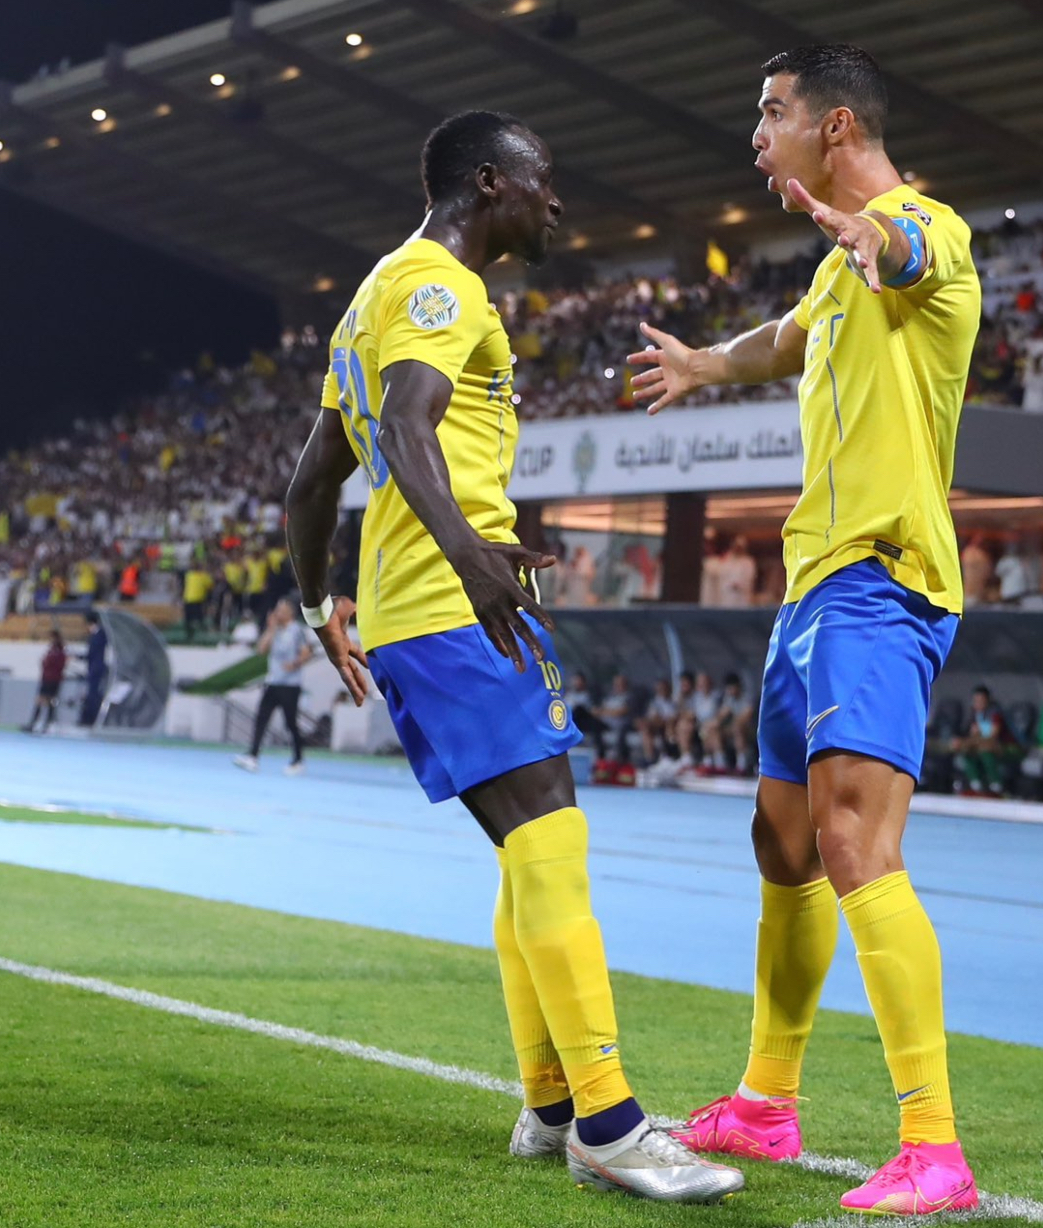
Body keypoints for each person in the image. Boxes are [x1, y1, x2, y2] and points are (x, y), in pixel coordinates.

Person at [281, 111, 738, 1201]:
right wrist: (470, 559)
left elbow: (310, 482)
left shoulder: (372, 296)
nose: (556, 202)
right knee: (552, 847)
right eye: (544, 182)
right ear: (490, 184)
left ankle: (548, 1100)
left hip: (426, 610)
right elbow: (404, 427)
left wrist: (316, 609)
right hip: (452, 608)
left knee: (530, 851)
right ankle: (611, 1126)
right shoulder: (442, 288)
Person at [628, 45, 982, 1212]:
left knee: (850, 844)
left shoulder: (925, 231)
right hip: (812, 587)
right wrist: (698, 363)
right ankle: (765, 1105)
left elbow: (905, 250)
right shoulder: (831, 277)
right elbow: (779, 342)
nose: (754, 130)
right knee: (781, 846)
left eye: (770, 110)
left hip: (881, 581)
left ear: (835, 127)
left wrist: (868, 231)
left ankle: (933, 1146)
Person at [232, 598, 314, 775]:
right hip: (273, 682)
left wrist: (295, 664)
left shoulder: (296, 630)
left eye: (281, 610)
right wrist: (270, 628)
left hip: (290, 685)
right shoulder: (275, 630)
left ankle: (298, 759)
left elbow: (307, 652)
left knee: (290, 723)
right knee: (261, 718)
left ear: (290, 613)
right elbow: (261, 650)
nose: (278, 613)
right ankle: (253, 756)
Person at [950, 684, 1019, 795]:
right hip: (982, 744)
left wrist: (979, 731)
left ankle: (996, 783)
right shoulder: (974, 714)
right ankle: (975, 782)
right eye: (976, 700)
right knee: (967, 750)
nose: (978, 703)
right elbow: (968, 732)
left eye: (981, 700)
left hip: (1003, 746)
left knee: (985, 749)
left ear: (988, 700)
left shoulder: (995, 713)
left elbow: (993, 734)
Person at [24, 630, 67, 733]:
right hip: (47, 678)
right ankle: (37, 723)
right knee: (44, 701)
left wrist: (46, 663)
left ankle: (44, 723)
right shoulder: (52, 650)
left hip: (52, 679)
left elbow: (56, 665)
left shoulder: (59, 652)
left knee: (48, 701)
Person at [77, 611, 109, 727]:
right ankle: (88, 718)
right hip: (93, 668)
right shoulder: (95, 635)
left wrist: (79, 657)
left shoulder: (100, 635)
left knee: (93, 695)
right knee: (90, 694)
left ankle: (91, 720)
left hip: (96, 669)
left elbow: (92, 654)